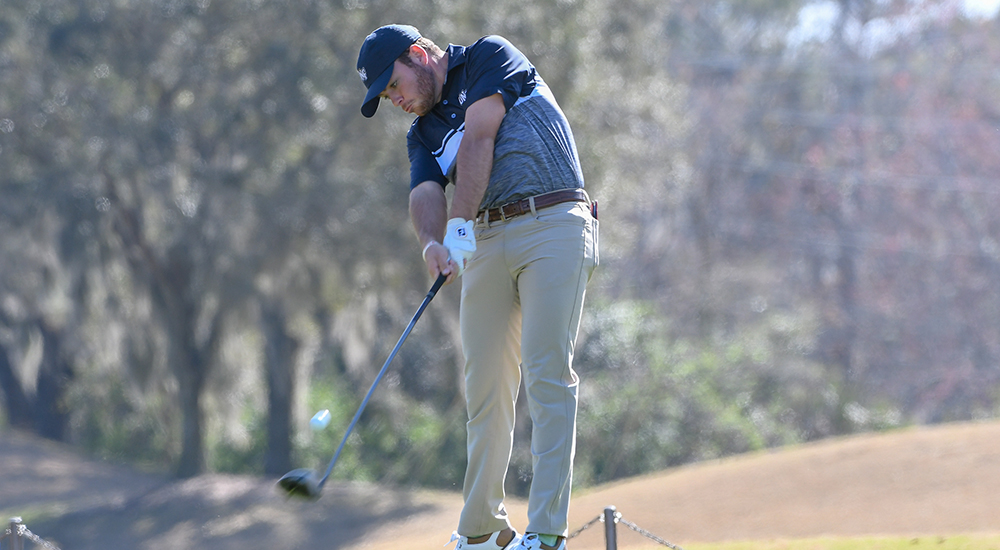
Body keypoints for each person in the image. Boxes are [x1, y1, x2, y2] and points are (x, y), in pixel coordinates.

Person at [356, 24, 599, 550]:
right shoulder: (419, 132)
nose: (394, 99)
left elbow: (480, 137)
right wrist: (431, 243)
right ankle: (482, 529)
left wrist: (459, 225)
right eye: (385, 95)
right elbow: (424, 190)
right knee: (484, 385)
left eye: (393, 84)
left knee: (546, 373)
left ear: (418, 54)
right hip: (489, 238)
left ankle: (547, 533)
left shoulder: (490, 55)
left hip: (554, 219)